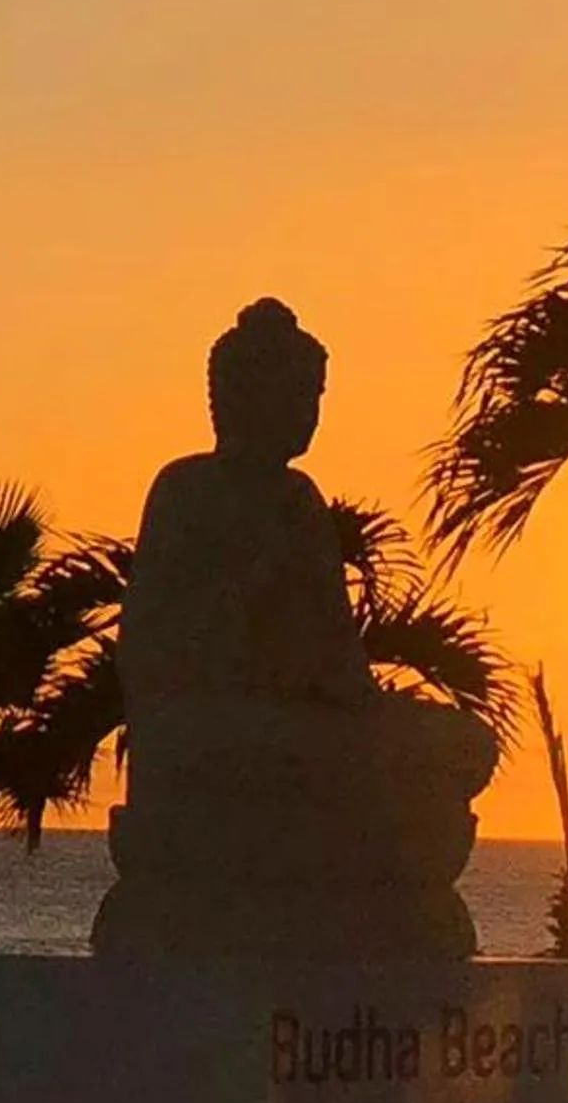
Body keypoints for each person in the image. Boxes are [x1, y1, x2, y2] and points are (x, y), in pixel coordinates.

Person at [92, 299, 493, 960]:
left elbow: (338, 663)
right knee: (268, 755)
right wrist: (255, 583)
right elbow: (153, 654)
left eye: (316, 395)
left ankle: (354, 858)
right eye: (298, 393)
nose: (310, 411)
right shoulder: (187, 491)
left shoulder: (300, 501)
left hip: (303, 721)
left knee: (460, 743)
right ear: (241, 395)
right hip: (212, 723)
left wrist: (362, 703)